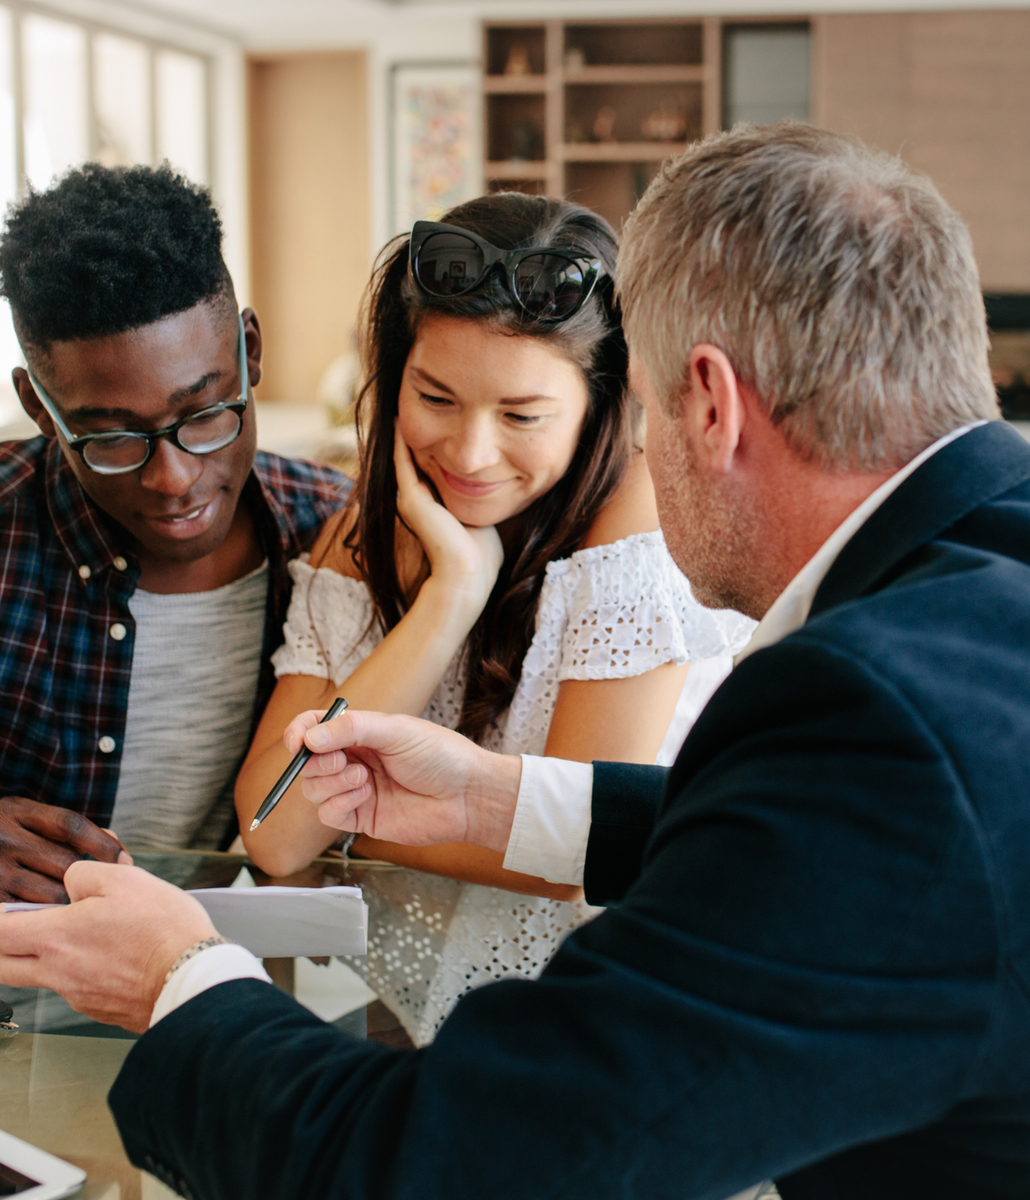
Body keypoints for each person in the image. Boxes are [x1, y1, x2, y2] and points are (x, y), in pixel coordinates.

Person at [0, 124, 1030, 1199]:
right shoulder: (985, 592)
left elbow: (465, 1170)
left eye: (643, 412)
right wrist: (497, 802)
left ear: (705, 405)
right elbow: (815, 850)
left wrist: (181, 980)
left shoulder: (881, 709)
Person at [234, 193, 753, 1042]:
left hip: (614, 1020)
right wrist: (449, 600)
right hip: (419, 1009)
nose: (472, 455)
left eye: (522, 416)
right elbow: (275, 834)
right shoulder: (358, 536)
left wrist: (354, 828)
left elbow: (570, 848)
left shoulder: (638, 534)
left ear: (600, 406)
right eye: (435, 398)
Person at [0, 163, 348, 931]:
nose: (175, 479)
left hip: (207, 1014)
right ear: (39, 406)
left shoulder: (337, 543)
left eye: (206, 413)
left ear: (249, 351)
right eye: (111, 437)